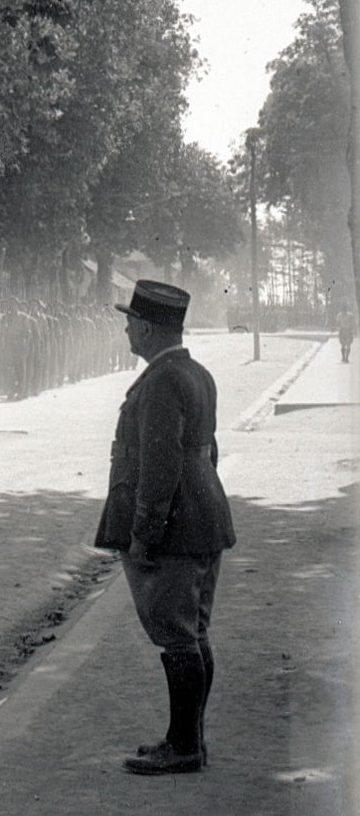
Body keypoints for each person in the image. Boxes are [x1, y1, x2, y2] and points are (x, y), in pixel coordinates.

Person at [94, 280, 235, 775]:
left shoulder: (159, 382)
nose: (127, 327)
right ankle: (188, 739)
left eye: (131, 320)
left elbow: (158, 465)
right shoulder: (195, 373)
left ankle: (184, 746)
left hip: (175, 527)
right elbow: (209, 451)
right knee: (193, 634)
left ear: (150, 329)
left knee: (177, 636)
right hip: (204, 517)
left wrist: (144, 533)